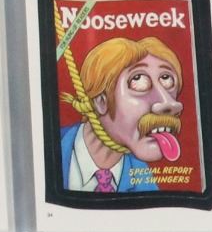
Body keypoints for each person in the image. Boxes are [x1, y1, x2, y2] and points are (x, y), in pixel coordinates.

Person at [59, 36, 186, 193]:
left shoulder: (146, 185)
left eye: (167, 79)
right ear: (101, 101)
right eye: (138, 80)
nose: (170, 103)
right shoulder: (50, 148)